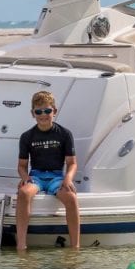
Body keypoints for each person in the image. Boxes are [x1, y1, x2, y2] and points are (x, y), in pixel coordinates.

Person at [16, 90, 80, 251]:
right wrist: (24, 177)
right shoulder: (27, 136)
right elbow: (22, 166)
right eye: (38, 111)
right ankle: (21, 245)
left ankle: (75, 246)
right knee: (23, 193)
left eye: (47, 111)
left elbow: (72, 163)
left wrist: (68, 179)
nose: (43, 115)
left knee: (71, 197)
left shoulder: (65, 134)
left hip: (56, 177)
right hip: (36, 176)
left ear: (54, 111)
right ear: (33, 113)